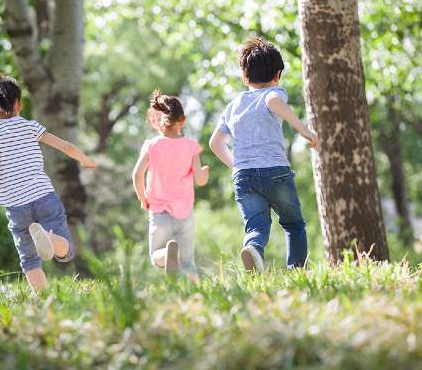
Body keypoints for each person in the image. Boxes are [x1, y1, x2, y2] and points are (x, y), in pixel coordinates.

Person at [0, 73, 96, 291]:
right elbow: (65, 146)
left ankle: (44, 298)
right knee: (66, 251)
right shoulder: (30, 126)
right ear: (19, 104)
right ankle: (48, 237)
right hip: (43, 195)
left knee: (29, 258)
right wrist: (85, 160)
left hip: (16, 205)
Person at [209, 37, 319, 273]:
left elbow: (215, 143)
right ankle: (297, 270)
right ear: (277, 73)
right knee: (293, 224)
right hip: (275, 172)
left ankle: (253, 250)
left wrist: (236, 166)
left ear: (244, 75)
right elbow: (273, 101)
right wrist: (305, 130)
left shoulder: (234, 104)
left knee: (256, 227)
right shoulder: (274, 93)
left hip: (244, 176)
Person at [132, 90, 209, 279]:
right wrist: (205, 172)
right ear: (182, 119)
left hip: (158, 211)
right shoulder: (191, 146)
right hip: (184, 212)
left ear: (159, 121)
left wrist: (143, 198)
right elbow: (200, 180)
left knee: (155, 254)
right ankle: (196, 294)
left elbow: (137, 174)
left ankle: (167, 254)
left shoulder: (152, 145)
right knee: (188, 261)